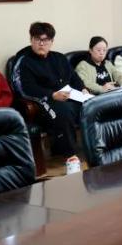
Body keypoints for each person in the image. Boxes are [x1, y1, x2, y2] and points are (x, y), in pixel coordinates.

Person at [11, 21, 86, 159]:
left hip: (67, 95)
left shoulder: (59, 58)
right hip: (42, 100)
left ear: (52, 42)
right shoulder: (24, 61)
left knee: (91, 105)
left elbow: (74, 77)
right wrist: (52, 95)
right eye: (37, 39)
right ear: (31, 39)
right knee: (64, 111)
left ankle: (92, 148)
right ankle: (70, 155)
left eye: (45, 40)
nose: (41, 44)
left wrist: (83, 89)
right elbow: (25, 89)